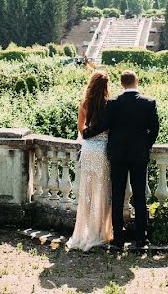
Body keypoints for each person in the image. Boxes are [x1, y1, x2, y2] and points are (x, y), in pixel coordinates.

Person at [83, 69, 159, 249]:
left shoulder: (113, 103)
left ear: (121, 84)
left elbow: (102, 126)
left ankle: (119, 239)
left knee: (117, 195)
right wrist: (145, 146)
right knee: (140, 196)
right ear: (137, 81)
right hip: (139, 156)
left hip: (117, 155)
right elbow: (154, 130)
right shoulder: (149, 103)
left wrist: (86, 133)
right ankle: (141, 239)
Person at [66, 71, 113, 251]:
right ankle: (101, 233)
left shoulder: (85, 103)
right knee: (102, 191)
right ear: (105, 86)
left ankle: (84, 233)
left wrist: (90, 134)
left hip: (88, 150)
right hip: (102, 150)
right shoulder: (109, 104)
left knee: (87, 192)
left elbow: (81, 128)